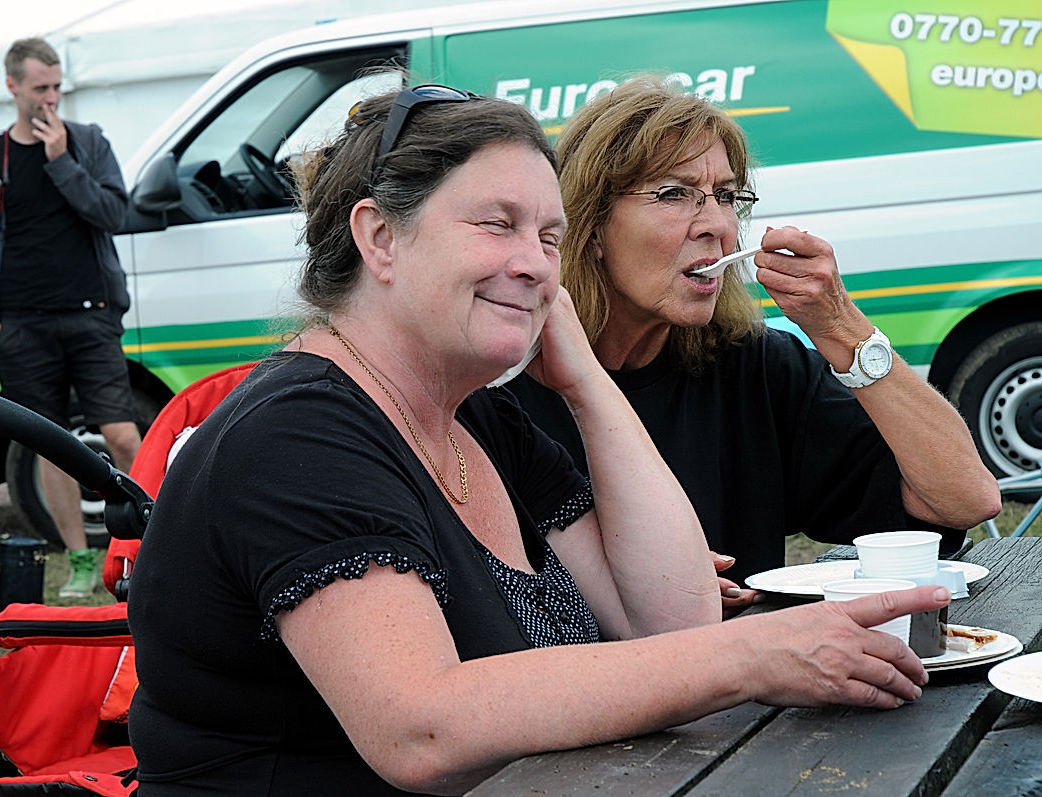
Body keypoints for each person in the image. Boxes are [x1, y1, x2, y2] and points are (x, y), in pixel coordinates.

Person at [126, 83, 952, 796]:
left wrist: (588, 381)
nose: (533, 263)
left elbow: (670, 621)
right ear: (379, 237)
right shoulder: (299, 431)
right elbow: (421, 728)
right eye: (498, 224)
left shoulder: (477, 414)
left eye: (550, 238)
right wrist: (755, 654)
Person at [507, 76, 1001, 610]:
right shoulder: (500, 384)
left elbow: (965, 499)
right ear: (592, 225)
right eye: (674, 194)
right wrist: (669, 589)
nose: (717, 225)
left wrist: (841, 327)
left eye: (725, 196)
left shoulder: (751, 365)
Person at [0, 36, 141, 597]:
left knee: (123, 435)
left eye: (58, 87)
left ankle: (145, 547)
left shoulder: (86, 142)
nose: (51, 100)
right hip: (22, 325)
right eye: (40, 88)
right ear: (12, 86)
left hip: (91, 314)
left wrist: (61, 162)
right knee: (49, 443)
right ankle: (81, 561)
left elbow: (114, 212)